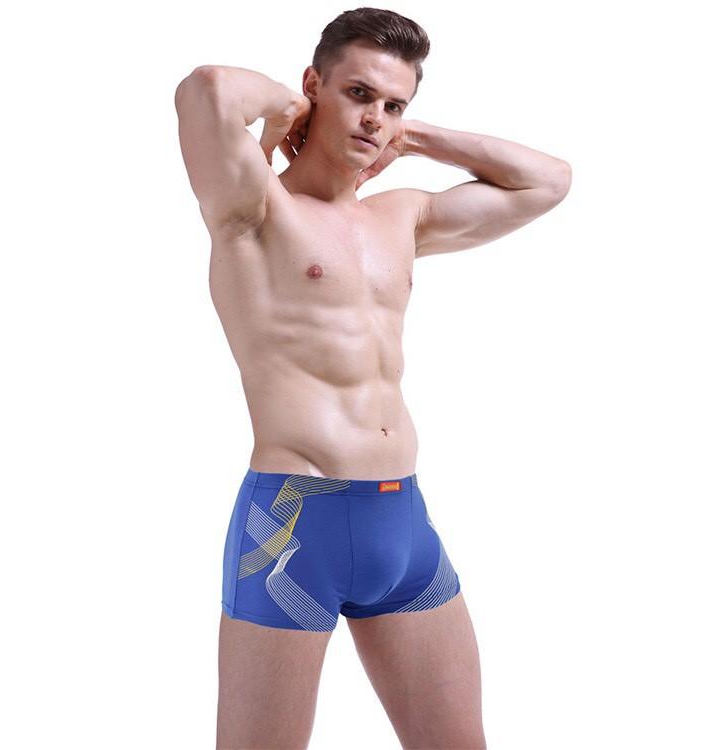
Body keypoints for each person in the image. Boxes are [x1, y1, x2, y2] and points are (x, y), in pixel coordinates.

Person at [175, 7, 571, 749]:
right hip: (294, 525)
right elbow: (209, 88)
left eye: (393, 105)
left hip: (405, 525)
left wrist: (412, 138)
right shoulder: (253, 207)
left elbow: (547, 182)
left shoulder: (404, 218)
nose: (374, 118)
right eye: (358, 94)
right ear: (314, 85)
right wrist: (289, 114)